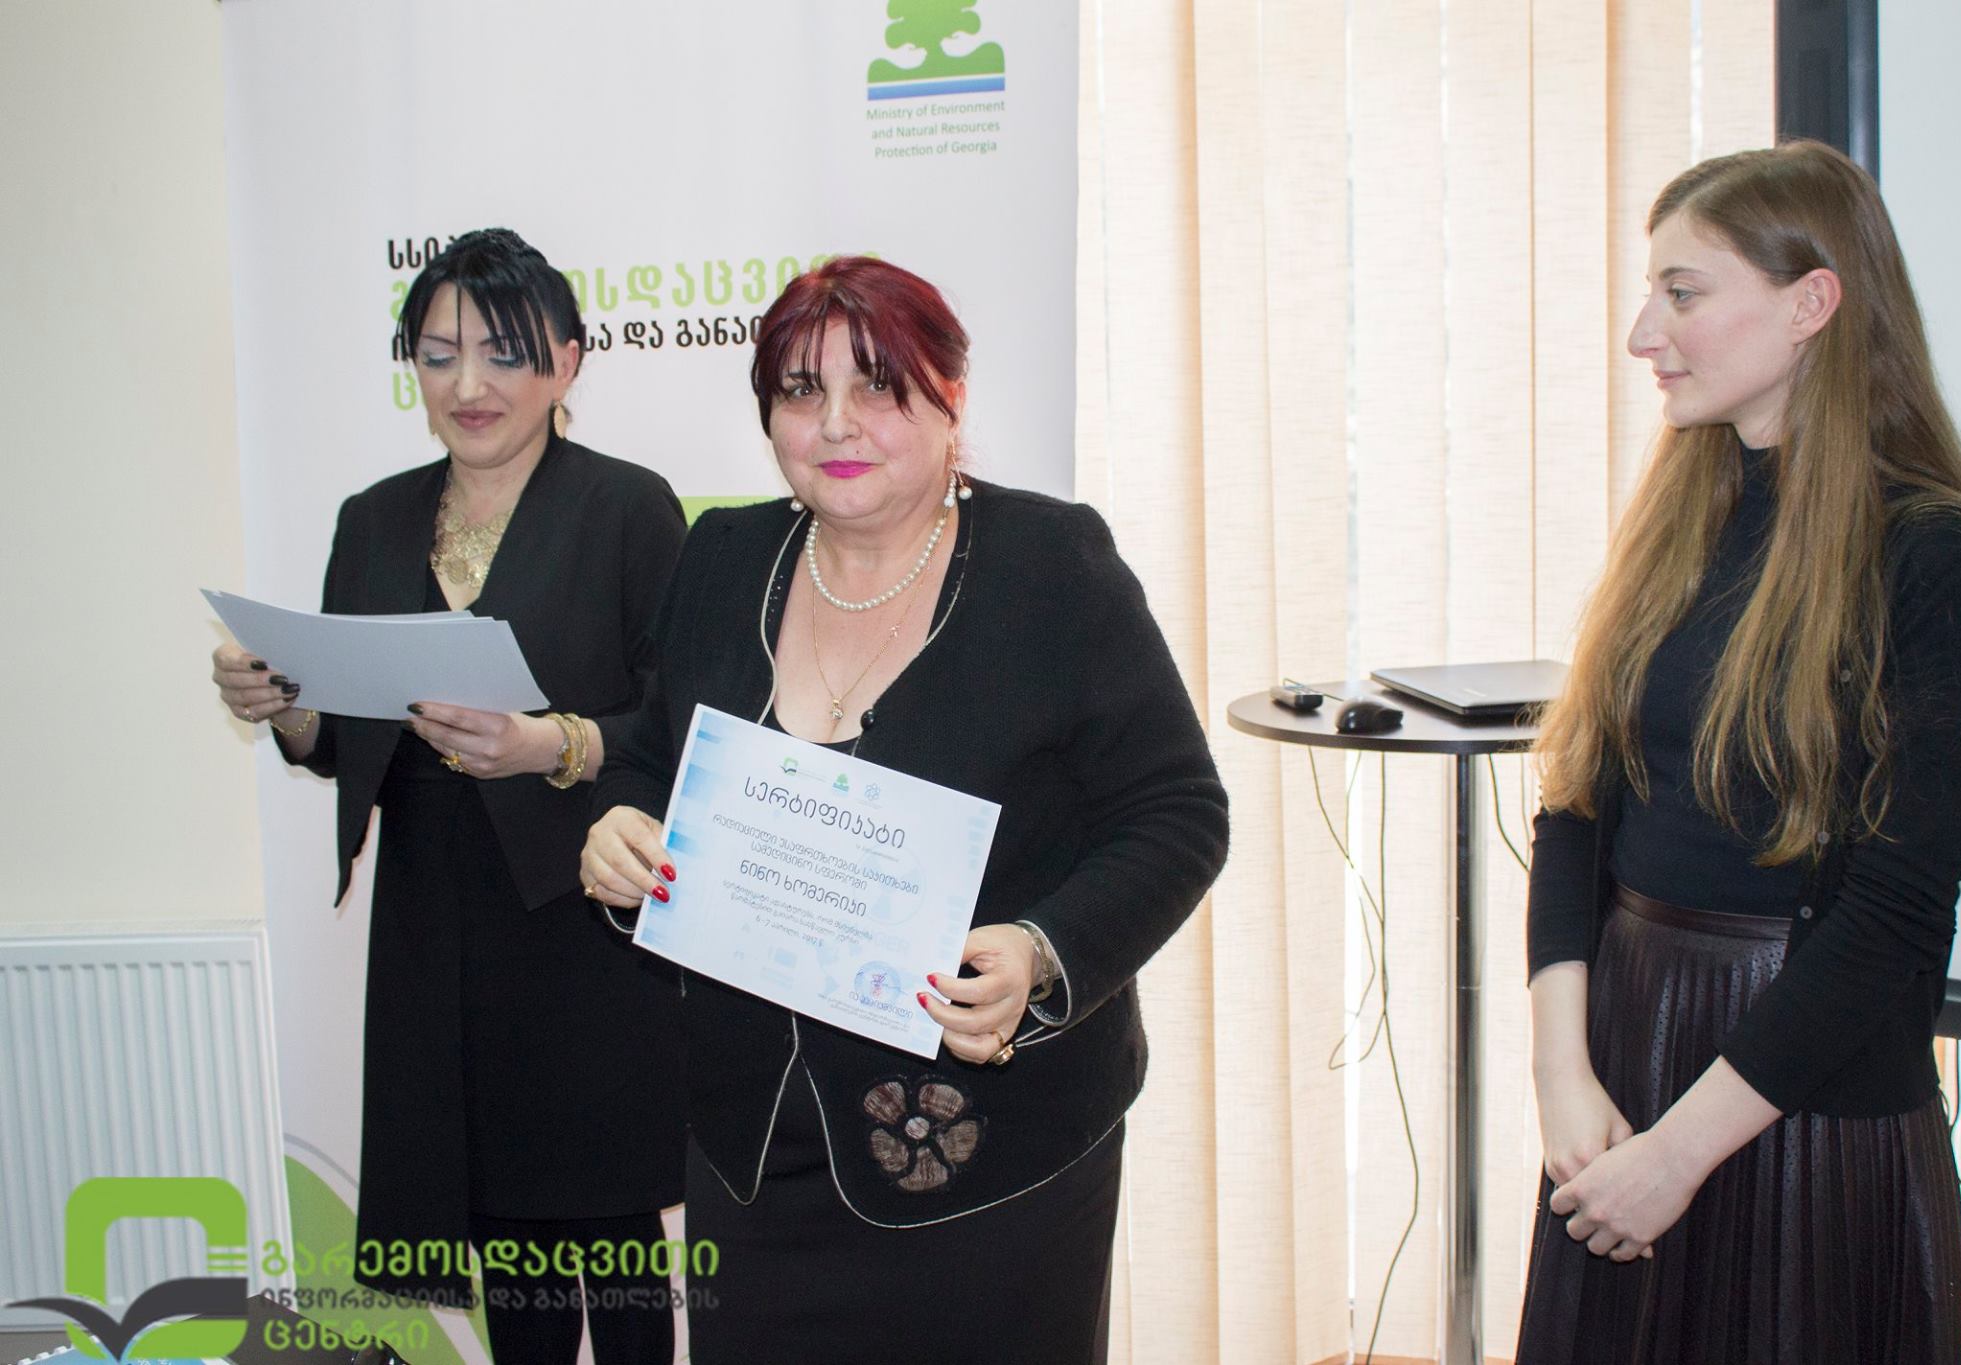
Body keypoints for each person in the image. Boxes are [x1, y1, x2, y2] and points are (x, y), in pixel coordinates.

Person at [579, 254, 1229, 1363]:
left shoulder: (1050, 566)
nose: (836, 422)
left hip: (993, 1157)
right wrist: (618, 828)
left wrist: (1042, 950)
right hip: (752, 1152)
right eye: (800, 390)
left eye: (877, 385)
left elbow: (1178, 810)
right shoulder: (723, 558)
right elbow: (647, 758)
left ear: (950, 397)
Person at [1515, 141, 1961, 1364]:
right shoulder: (1681, 523)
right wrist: (1561, 1076)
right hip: (1625, 1060)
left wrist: (1677, 1157)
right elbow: (1577, 806)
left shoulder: (1939, 557)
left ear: (1809, 305)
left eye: (1682, 293)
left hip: (1800, 1088)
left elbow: (1892, 914)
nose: (1643, 334)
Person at [209, 228, 690, 1364]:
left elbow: (677, 724)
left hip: (584, 909)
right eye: (437, 356)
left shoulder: (630, 509)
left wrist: (549, 745)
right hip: (433, 919)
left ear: (567, 361)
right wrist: (282, 705)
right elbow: (342, 738)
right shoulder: (373, 518)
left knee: (608, 1215)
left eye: (503, 353)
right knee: (496, 1216)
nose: (468, 385)